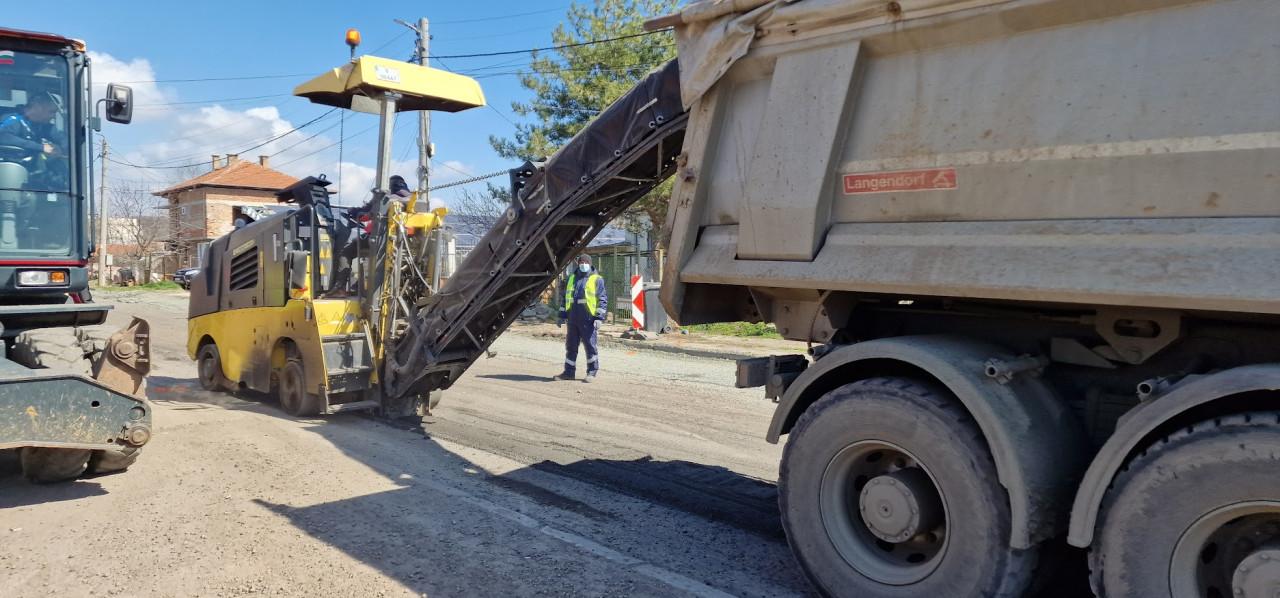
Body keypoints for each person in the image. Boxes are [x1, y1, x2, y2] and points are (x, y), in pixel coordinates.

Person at [554, 254, 607, 383]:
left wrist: (599, 318)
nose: (583, 264)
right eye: (581, 262)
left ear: (590, 264)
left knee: (590, 346)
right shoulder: (572, 278)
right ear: (578, 264)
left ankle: (592, 372)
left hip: (588, 320)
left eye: (585, 262)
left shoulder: (597, 279)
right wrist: (561, 316)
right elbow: (566, 298)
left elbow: (602, 299)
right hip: (573, 319)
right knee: (571, 347)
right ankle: (568, 372)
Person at [0, 93, 60, 161]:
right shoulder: (13, 119)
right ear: (37, 107)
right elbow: (2, 136)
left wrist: (59, 148)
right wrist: (41, 147)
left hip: (30, 168)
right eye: (52, 112)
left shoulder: (42, 125)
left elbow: (59, 137)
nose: (53, 116)